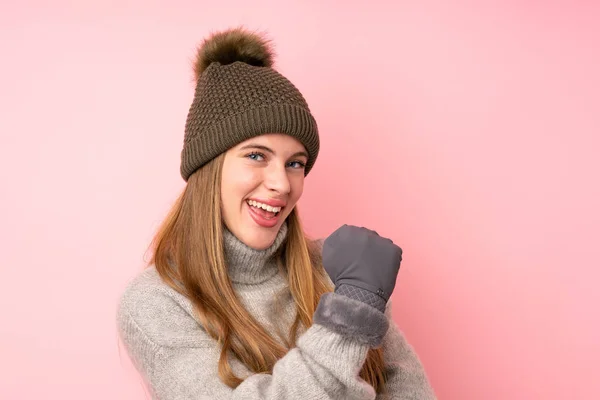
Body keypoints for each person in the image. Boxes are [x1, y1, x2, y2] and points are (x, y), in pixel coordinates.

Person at [116, 26, 436, 399]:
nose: (282, 184)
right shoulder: (156, 303)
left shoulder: (335, 276)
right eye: (256, 156)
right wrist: (348, 318)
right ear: (208, 168)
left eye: (295, 163)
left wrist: (358, 298)